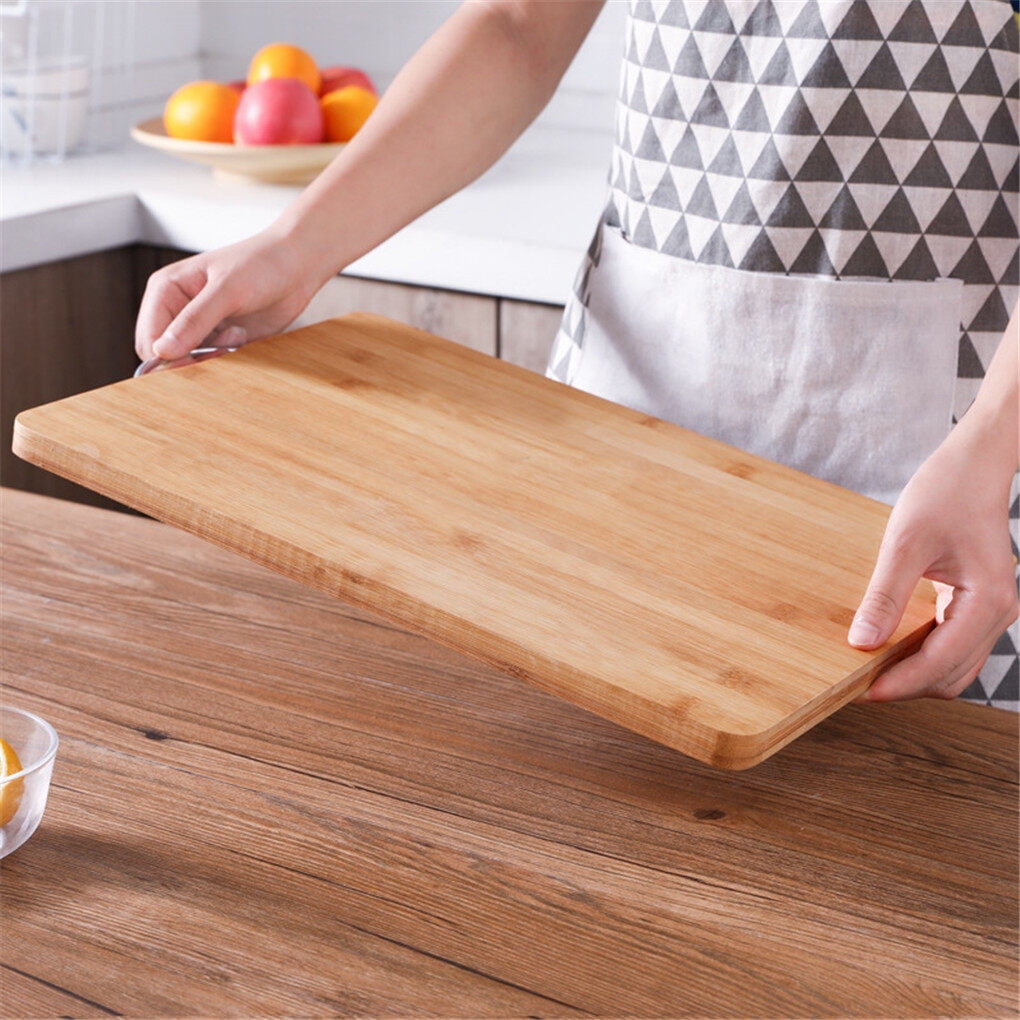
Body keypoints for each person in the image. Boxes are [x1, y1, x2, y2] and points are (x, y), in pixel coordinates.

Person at [136, 0, 1019, 708]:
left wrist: (991, 445)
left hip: (955, 474)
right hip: (626, 413)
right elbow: (519, 25)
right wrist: (298, 244)